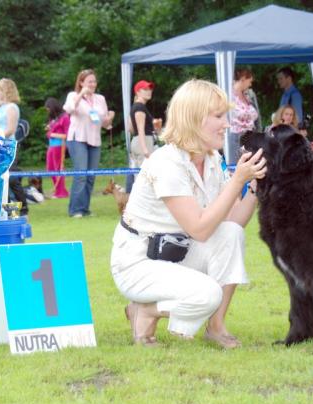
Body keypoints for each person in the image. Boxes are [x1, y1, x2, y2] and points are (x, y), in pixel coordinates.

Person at [110, 79, 267, 349]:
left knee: (231, 234)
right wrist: (236, 181)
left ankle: (216, 327)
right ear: (194, 119)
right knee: (208, 294)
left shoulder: (213, 159)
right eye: (218, 116)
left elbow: (231, 222)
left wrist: (254, 185)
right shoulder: (166, 162)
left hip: (177, 252)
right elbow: (200, 229)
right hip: (138, 263)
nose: (226, 124)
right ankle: (144, 311)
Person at [63, 69, 115, 218]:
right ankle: (75, 210)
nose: (92, 84)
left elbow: (104, 122)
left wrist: (110, 117)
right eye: (89, 81)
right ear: (81, 83)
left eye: (94, 81)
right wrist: (81, 94)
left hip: (94, 139)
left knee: (91, 175)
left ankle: (85, 209)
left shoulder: (100, 98)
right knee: (81, 174)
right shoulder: (73, 96)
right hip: (78, 138)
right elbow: (69, 109)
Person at [0, 78, 28, 215]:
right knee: (2, 181)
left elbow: (10, 129)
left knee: (12, 180)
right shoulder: (2, 106)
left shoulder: (11, 107)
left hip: (8, 146)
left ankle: (23, 210)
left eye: (0, 89)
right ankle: (10, 212)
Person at [126, 80, 157, 193]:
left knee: (140, 176)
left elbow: (130, 128)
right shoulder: (140, 107)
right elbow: (140, 130)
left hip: (137, 141)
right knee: (144, 177)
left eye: (150, 89)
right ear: (138, 92)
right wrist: (145, 149)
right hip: (143, 142)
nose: (149, 91)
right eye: (145, 89)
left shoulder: (136, 106)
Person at [229, 68, 258, 164]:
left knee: (250, 166)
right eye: (249, 81)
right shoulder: (229, 95)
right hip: (236, 137)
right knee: (235, 166)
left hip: (249, 137)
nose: (250, 85)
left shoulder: (248, 95)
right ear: (243, 79)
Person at [44, 97, 70, 199]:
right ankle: (59, 190)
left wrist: (53, 134)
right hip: (51, 145)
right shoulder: (54, 118)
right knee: (50, 169)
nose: (48, 111)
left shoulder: (65, 117)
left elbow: (67, 135)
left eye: (49, 109)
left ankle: (61, 193)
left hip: (59, 146)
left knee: (58, 169)